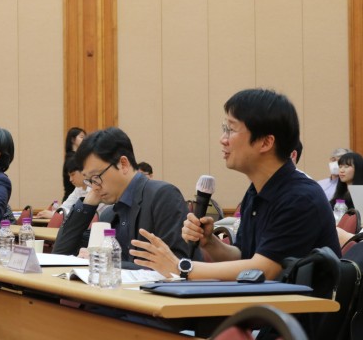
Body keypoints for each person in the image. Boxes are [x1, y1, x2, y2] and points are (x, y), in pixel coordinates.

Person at [130, 89, 341, 281]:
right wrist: (210, 242)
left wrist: (182, 267)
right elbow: (245, 257)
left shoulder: (300, 197)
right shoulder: (257, 191)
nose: (223, 139)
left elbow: (264, 270)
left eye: (230, 129)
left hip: (294, 311)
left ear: (265, 142)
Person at [52, 127, 192, 266]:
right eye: (89, 180)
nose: (94, 187)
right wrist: (86, 206)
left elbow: (178, 266)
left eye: (96, 176)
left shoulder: (163, 196)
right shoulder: (109, 215)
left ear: (123, 164)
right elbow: (60, 254)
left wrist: (105, 262)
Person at [63, 127, 86, 200]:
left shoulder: (75, 156)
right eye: (82, 137)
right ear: (73, 139)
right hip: (72, 198)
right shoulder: (72, 158)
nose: (85, 140)